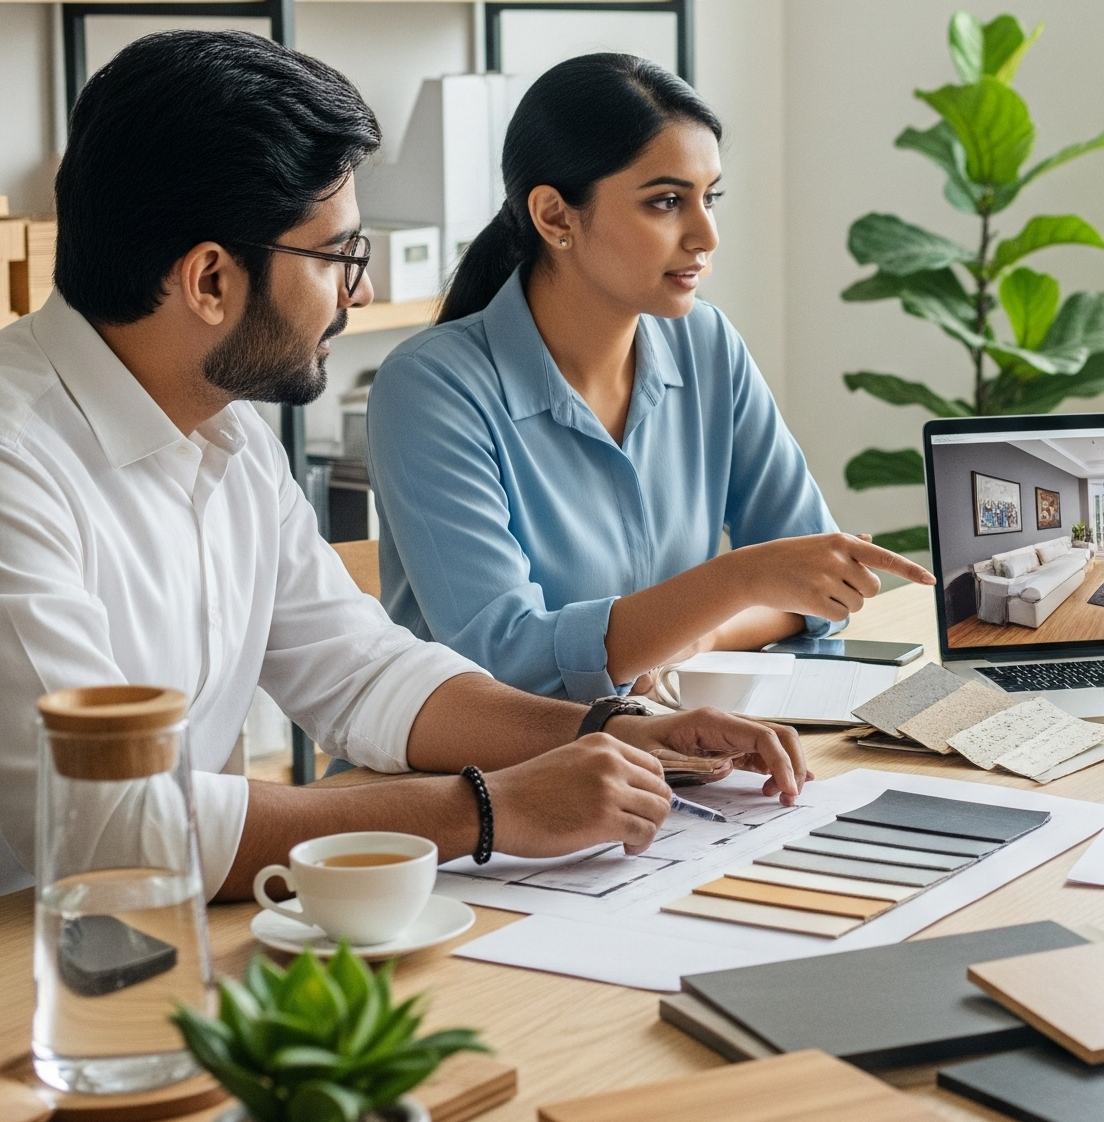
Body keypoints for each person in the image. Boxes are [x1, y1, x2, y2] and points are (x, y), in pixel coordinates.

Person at [0, 29, 810, 904]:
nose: (364, 294)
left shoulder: (229, 441)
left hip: (154, 935)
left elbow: (362, 673)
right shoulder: (19, 465)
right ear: (209, 281)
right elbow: (107, 824)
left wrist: (610, 727)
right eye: (340, 256)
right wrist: (482, 810)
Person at [366, 54, 931, 703]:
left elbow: (822, 593)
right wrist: (732, 584)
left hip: (663, 755)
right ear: (555, 217)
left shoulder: (707, 345)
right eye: (666, 202)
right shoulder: (429, 390)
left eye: (710, 197)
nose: (706, 235)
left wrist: (697, 637)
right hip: (472, 783)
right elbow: (508, 663)